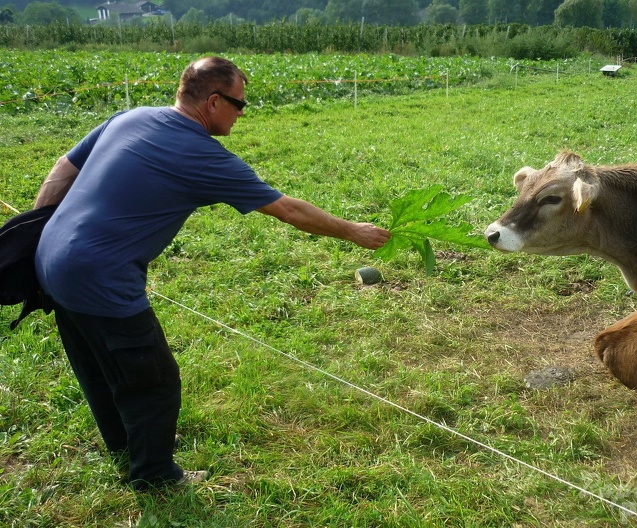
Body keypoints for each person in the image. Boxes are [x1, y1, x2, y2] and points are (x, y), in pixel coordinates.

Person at [33, 56, 390, 490]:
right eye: (241, 104)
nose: (242, 114)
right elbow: (287, 209)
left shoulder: (132, 117)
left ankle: (124, 448)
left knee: (99, 363)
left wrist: (42, 226)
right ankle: (156, 477)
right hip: (101, 277)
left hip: (49, 260)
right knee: (153, 380)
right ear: (215, 101)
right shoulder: (202, 155)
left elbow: (63, 168)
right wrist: (353, 231)